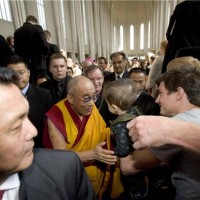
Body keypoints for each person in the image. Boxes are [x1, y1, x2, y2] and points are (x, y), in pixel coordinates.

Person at [0, 67, 96, 200]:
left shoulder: (65, 171)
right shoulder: (57, 114)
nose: (33, 132)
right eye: (16, 126)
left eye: (26, 117)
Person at [121, 57, 200, 200]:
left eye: (161, 93)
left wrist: (121, 129)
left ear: (179, 93)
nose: (157, 100)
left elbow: (127, 167)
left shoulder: (178, 124)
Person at [43, 75, 123, 199]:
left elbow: (101, 131)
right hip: (72, 177)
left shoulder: (90, 108)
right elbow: (61, 158)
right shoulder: (56, 115)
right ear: (70, 98)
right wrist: (93, 154)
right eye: (86, 98)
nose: (91, 103)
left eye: (94, 97)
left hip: (96, 171)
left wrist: (117, 131)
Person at [5, 55, 53, 148]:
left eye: (21, 72)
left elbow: (51, 127)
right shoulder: (2, 97)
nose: (18, 77)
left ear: (28, 72)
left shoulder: (44, 95)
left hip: (39, 148)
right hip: (11, 149)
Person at [14, 15, 49, 83]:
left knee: (29, 85)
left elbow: (16, 51)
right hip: (39, 64)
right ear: (35, 22)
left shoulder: (17, 32)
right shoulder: (37, 27)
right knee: (42, 85)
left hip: (24, 65)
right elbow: (44, 44)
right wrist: (46, 54)